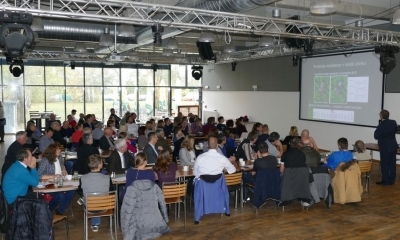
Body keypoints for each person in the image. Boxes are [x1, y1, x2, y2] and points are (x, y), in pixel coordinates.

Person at [38, 143, 75, 214]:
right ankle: (48, 211)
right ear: (53, 151)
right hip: (50, 184)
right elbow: (39, 175)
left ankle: (60, 210)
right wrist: (54, 176)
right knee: (60, 196)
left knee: (72, 190)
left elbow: (61, 164)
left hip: (60, 181)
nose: (60, 151)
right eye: (58, 149)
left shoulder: (59, 157)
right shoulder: (45, 160)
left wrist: (63, 169)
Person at [79, 154, 113, 232]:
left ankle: (95, 223)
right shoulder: (107, 178)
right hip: (105, 206)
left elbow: (80, 191)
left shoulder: (82, 178)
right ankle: (95, 223)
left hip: (89, 207)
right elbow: (111, 191)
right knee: (98, 195)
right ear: (100, 165)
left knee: (90, 196)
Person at [374, 109, 398, 185]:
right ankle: (392, 180)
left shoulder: (381, 125)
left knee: (385, 164)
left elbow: (376, 136)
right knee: (392, 164)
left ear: (381, 116)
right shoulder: (393, 122)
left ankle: (386, 180)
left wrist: (379, 126)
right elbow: (395, 130)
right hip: (393, 146)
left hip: (385, 147)